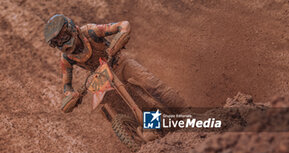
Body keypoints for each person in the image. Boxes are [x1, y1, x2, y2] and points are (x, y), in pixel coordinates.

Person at [43, 14, 186, 112]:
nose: (62, 43)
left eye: (63, 37)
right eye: (57, 42)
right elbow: (66, 85)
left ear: (72, 29)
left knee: (151, 83)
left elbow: (123, 25)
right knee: (112, 107)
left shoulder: (91, 31)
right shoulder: (66, 59)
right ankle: (140, 128)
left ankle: (186, 112)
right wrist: (71, 95)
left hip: (119, 63)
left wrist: (120, 37)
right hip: (101, 78)